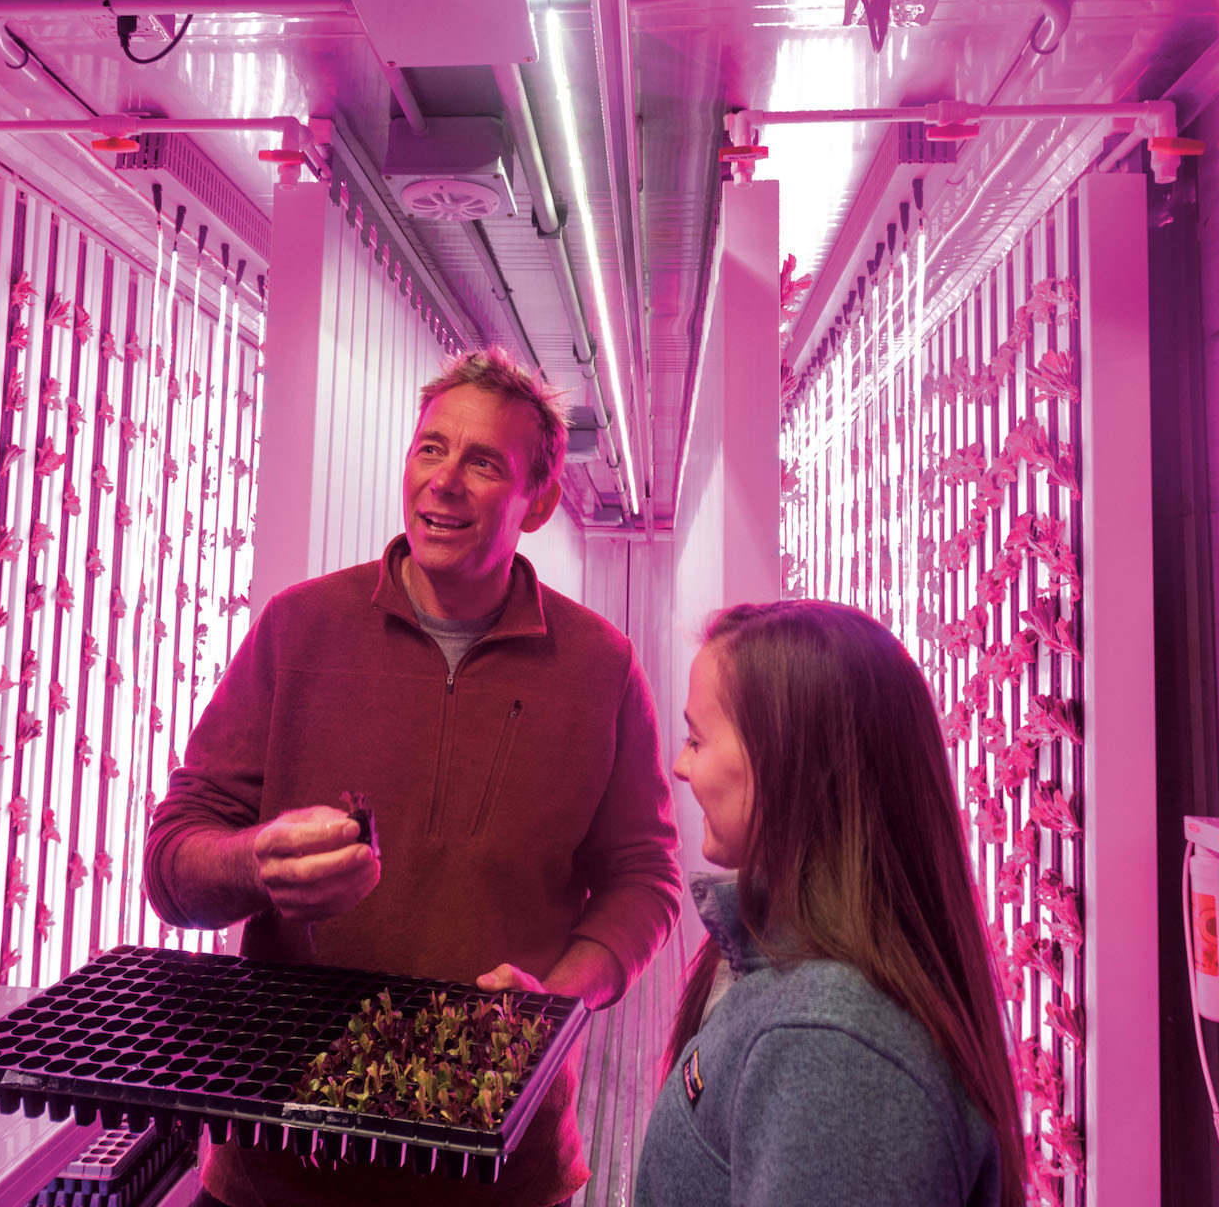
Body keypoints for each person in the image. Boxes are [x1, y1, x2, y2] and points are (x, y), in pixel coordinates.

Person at [145, 346, 682, 1207]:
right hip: (282, 1162)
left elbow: (645, 879)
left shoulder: (601, 668)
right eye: (431, 448)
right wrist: (255, 863)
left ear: (537, 501)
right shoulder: (300, 629)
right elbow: (173, 860)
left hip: (500, 1168)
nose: (444, 481)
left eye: (482, 463)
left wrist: (557, 999)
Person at [635, 601, 1024, 1207]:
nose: (681, 766)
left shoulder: (837, 1052)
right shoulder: (787, 970)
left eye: (696, 739)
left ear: (787, 760)